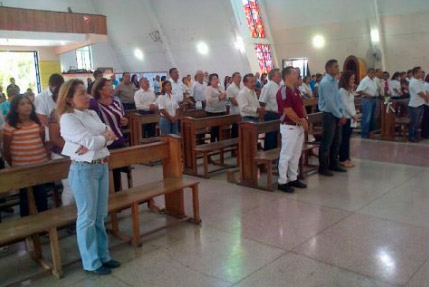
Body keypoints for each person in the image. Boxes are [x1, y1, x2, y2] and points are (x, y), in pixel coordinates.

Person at [57, 79, 120, 275]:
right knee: (87, 217)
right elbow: (92, 140)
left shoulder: (91, 113)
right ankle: (91, 262)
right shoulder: (68, 118)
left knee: (100, 216)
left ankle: (104, 256)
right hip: (83, 170)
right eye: (82, 93)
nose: (88, 97)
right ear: (69, 99)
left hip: (101, 166)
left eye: (87, 92)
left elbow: (111, 134)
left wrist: (98, 141)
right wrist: (100, 140)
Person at [3, 95, 49, 216]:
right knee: (25, 197)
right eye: (22, 104)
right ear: (16, 108)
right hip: (21, 167)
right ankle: (28, 225)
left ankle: (44, 224)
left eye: (28, 103)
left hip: (39, 164)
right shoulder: (10, 125)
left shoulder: (37, 122)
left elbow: (42, 141)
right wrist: (14, 164)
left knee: (41, 194)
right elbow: (6, 149)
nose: (27, 106)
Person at [90, 78, 128, 192]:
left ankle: (118, 195)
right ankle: (111, 198)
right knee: (107, 174)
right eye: (109, 86)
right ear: (100, 90)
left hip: (119, 140)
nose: (112, 88)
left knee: (117, 172)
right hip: (105, 144)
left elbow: (121, 118)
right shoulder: (94, 105)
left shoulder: (116, 102)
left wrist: (125, 121)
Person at [276, 66, 308, 193]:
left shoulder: (296, 89)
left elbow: (301, 106)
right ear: (287, 76)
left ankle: (293, 178)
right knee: (286, 155)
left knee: (296, 154)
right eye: (295, 73)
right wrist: (301, 120)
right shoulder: (284, 90)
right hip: (289, 126)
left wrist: (305, 118)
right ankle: (282, 181)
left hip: (298, 126)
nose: (297, 75)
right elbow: (288, 111)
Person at [318, 59, 347, 176]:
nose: (338, 68)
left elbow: (337, 99)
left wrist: (342, 113)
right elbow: (330, 102)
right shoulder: (325, 82)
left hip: (336, 114)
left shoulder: (334, 81)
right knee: (327, 142)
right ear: (329, 68)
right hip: (329, 115)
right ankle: (323, 167)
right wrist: (340, 115)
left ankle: (333, 164)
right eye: (335, 66)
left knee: (337, 141)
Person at [48, 82, 74, 206]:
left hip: (78, 153)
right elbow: (55, 138)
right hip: (62, 154)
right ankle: (69, 219)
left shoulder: (78, 112)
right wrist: (73, 150)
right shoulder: (56, 114)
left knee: (81, 186)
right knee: (70, 187)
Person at [338, 71, 359, 168]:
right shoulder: (342, 90)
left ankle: (347, 158)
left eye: (354, 79)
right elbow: (345, 105)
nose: (353, 81)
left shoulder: (348, 90)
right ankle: (343, 159)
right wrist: (353, 114)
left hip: (350, 116)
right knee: (344, 139)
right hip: (345, 117)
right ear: (346, 79)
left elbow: (351, 103)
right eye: (351, 79)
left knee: (347, 139)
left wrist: (351, 90)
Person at [259, 68, 281, 150]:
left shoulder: (280, 86)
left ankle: (276, 152)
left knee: (277, 135)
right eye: (279, 75)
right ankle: (269, 153)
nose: (280, 76)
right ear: (273, 76)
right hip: (271, 114)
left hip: (279, 114)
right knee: (271, 136)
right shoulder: (267, 86)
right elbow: (262, 102)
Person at [204, 73, 227, 142]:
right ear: (210, 81)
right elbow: (209, 100)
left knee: (220, 129)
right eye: (214, 79)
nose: (216, 80)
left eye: (217, 78)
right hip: (212, 112)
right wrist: (219, 98)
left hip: (221, 110)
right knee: (214, 129)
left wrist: (224, 97)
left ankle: (220, 142)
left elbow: (225, 96)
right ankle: (213, 142)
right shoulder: (208, 89)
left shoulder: (221, 87)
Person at [408, 67, 429, 142]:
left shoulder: (420, 81)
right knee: (414, 122)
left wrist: (426, 97)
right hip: (415, 105)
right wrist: (426, 98)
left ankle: (416, 135)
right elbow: (420, 93)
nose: (422, 73)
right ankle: (411, 136)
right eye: (420, 72)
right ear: (415, 73)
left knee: (418, 122)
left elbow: (425, 90)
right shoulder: (413, 81)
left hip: (421, 104)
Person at [356, 68, 378, 138]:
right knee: (367, 118)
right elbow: (358, 90)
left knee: (372, 118)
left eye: (374, 73)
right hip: (367, 100)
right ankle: (364, 134)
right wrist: (368, 94)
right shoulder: (365, 80)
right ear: (369, 73)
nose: (374, 75)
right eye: (372, 73)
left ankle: (371, 133)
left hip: (374, 99)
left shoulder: (374, 80)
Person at [226, 72, 241, 138]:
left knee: (240, 130)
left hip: (241, 111)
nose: (240, 79)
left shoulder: (239, 87)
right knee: (235, 130)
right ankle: (234, 145)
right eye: (238, 77)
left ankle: (239, 144)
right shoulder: (230, 87)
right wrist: (244, 102)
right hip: (235, 112)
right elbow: (233, 101)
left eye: (240, 77)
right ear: (233, 78)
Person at [422, 74, 429, 139]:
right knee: (426, 120)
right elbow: (426, 94)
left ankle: (426, 133)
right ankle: (425, 134)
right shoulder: (426, 84)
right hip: (427, 104)